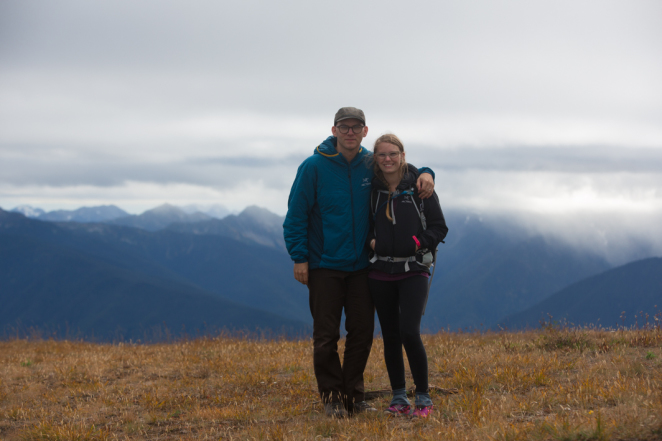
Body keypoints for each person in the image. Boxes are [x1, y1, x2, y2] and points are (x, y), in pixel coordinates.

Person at [283, 107, 436, 418]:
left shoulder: (371, 164)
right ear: (334, 130)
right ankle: (331, 397)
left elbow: (402, 167)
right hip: (324, 264)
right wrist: (299, 257)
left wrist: (427, 171)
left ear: (365, 131)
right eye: (344, 127)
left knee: (362, 333)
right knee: (326, 336)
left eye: (356, 127)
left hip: (363, 267)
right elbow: (295, 216)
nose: (350, 132)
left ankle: (353, 396)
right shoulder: (313, 167)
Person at [366, 133, 448, 418]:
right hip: (379, 271)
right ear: (375, 159)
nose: (387, 159)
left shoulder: (420, 188)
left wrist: (415, 243)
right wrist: (373, 244)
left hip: (413, 270)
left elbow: (439, 228)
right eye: (381, 155)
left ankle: (423, 399)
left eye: (393, 153)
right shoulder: (372, 190)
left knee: (409, 332)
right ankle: (399, 398)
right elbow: (362, 227)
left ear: (402, 154)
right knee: (390, 336)